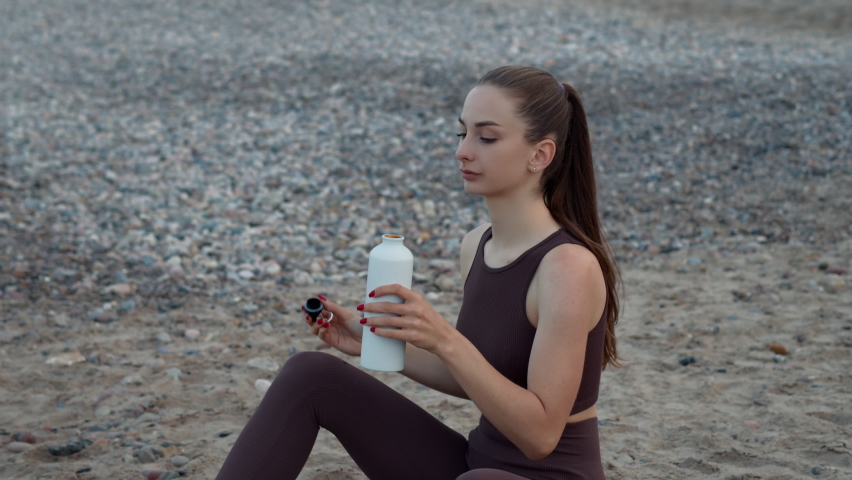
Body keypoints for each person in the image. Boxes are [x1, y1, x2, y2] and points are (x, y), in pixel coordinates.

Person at [216, 65, 621, 480]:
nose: (463, 150)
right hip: (472, 465)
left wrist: (445, 339)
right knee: (310, 374)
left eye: (487, 137)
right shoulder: (477, 243)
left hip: (546, 474)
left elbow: (540, 437)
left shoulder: (568, 268)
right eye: (461, 133)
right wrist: (374, 336)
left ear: (541, 154)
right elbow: (475, 378)